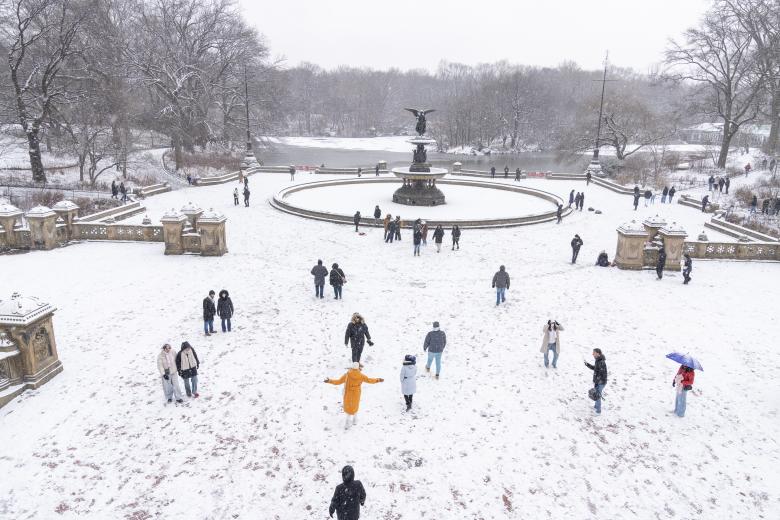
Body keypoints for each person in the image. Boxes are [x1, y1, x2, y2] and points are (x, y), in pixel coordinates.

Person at [324, 363, 383, 430]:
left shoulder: (347, 375)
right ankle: (355, 420)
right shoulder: (361, 376)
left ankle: (347, 424)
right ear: (358, 368)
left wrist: (329, 381)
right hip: (356, 394)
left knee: (349, 408)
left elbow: (338, 381)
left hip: (348, 394)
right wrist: (378, 380)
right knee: (355, 406)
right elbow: (369, 380)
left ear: (352, 367)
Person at [584, 348, 608, 414]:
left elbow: (602, 374)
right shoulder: (598, 360)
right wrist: (587, 364)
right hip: (598, 382)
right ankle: (596, 406)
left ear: (598, 353)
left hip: (601, 382)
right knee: (596, 394)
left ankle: (598, 411)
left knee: (597, 396)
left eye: (594, 353)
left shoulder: (601, 362)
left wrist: (597, 381)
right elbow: (595, 368)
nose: (592, 354)